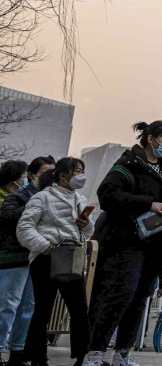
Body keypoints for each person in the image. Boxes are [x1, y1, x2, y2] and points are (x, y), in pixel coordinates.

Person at [84, 121, 162, 366]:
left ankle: (123, 353)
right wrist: (148, 203)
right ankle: (95, 351)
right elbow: (107, 196)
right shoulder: (128, 164)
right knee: (119, 295)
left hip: (154, 244)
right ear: (151, 139)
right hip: (124, 242)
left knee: (140, 299)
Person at [17, 157, 94, 366]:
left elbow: (88, 231)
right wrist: (45, 246)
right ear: (62, 176)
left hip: (71, 256)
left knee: (79, 309)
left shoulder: (81, 199)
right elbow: (24, 228)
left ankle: (82, 356)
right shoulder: (42, 197)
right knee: (43, 310)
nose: (81, 176)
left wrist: (86, 224)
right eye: (77, 171)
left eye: (82, 171)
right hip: (46, 258)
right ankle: (38, 358)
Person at [0, 161, 32, 366]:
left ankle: (17, 352)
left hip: (27, 257)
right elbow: (7, 219)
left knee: (26, 307)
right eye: (24, 176)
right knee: (7, 306)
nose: (26, 180)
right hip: (9, 257)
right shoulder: (9, 199)